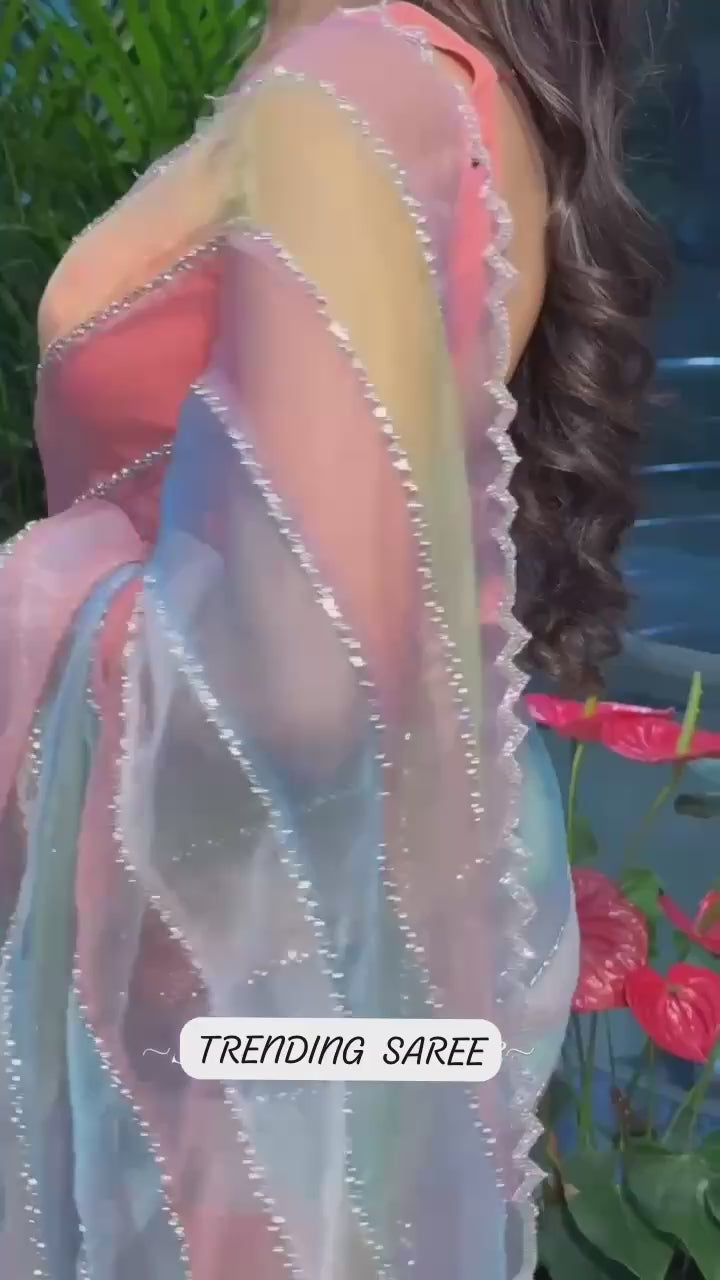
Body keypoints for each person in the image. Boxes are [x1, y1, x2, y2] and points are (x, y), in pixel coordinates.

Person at [0, 2, 662, 1277]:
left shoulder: (353, 85)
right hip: (306, 962)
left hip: (257, 988)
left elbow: (307, 690)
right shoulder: (412, 79)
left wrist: (32, 598)